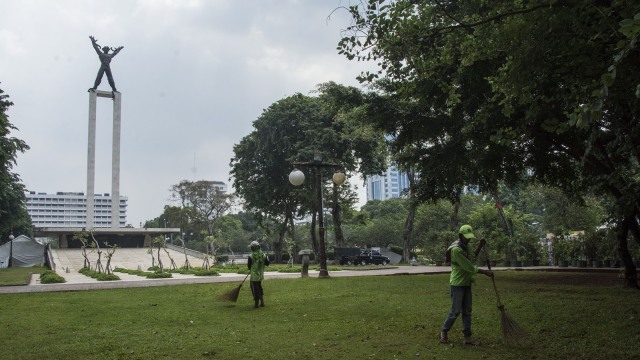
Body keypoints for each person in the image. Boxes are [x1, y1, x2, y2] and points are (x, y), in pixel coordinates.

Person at [440, 224, 493, 346]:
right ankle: (444, 331)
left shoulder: (466, 246)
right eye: (466, 237)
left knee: (467, 311)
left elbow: (472, 256)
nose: (468, 239)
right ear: (460, 236)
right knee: (455, 311)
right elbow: (468, 266)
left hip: (467, 282)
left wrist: (480, 245)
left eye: (470, 237)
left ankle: (467, 337)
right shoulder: (456, 250)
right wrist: (485, 272)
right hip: (457, 283)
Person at [247, 240, 270, 308]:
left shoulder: (251, 256)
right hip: (260, 275)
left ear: (252, 248)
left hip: (254, 276)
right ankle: (262, 302)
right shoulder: (263, 255)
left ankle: (256, 304)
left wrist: (251, 268)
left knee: (255, 289)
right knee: (259, 287)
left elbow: (249, 266)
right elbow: (267, 263)